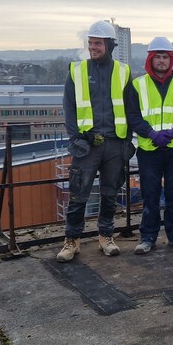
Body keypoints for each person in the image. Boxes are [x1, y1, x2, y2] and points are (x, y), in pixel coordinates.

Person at [57, 20, 134, 262]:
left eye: (98, 43)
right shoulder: (77, 70)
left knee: (110, 192)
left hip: (114, 142)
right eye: (90, 43)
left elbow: (131, 107)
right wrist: (76, 137)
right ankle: (72, 240)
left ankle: (106, 236)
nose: (93, 47)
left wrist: (128, 140)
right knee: (79, 193)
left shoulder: (123, 71)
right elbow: (69, 107)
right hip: (87, 145)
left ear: (109, 45)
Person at [128, 37, 173, 253]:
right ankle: (148, 237)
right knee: (150, 195)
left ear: (171, 59)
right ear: (150, 58)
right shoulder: (138, 85)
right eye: (157, 56)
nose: (161, 61)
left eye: (165, 57)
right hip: (149, 149)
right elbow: (132, 116)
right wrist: (150, 133)